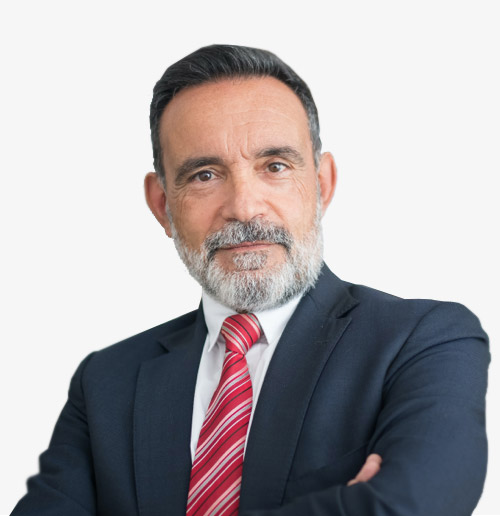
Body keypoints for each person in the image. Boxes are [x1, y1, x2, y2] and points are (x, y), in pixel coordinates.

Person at [12, 44, 489, 516]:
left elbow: (410, 504)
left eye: (275, 166)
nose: (244, 207)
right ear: (162, 205)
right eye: (204, 175)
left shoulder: (425, 341)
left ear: (321, 185)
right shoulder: (106, 382)